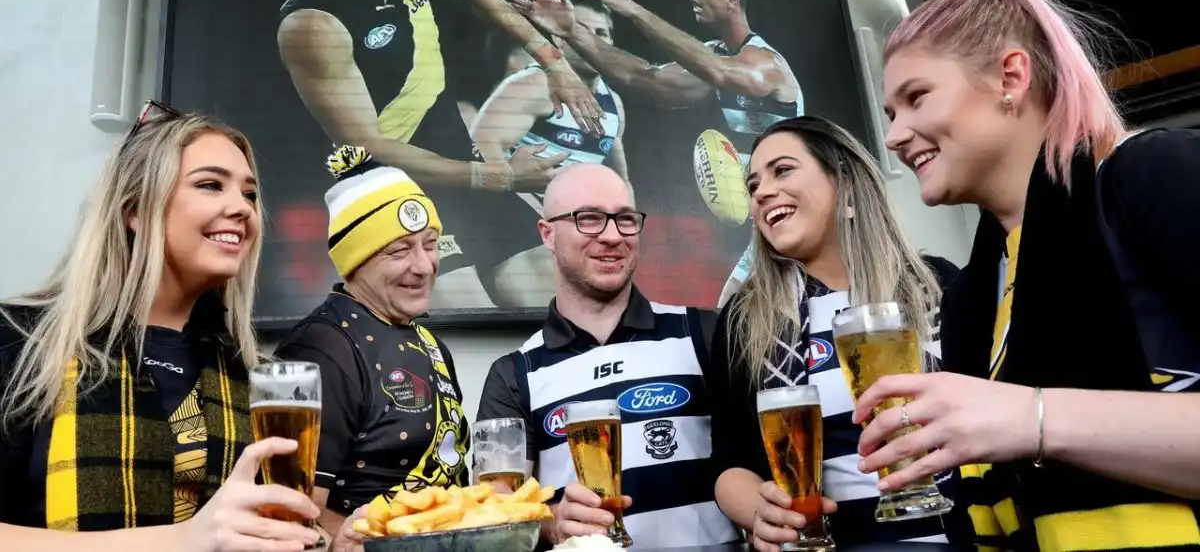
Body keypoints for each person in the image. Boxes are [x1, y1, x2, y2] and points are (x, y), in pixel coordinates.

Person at [856, 0, 1200, 550]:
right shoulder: (970, 294)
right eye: (890, 113)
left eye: (916, 97)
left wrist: (1030, 418)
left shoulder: (1152, 175)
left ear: (1010, 76)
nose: (893, 135)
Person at [0, 102, 322, 549]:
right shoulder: (20, 341)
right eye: (211, 185)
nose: (243, 209)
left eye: (249, 194)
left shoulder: (252, 373)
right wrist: (180, 540)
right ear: (134, 209)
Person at [277, 0, 604, 309]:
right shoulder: (313, 24)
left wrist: (554, 63)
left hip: (463, 172)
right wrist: (502, 176)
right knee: (473, 326)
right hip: (395, 191)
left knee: (552, 310)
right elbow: (367, 145)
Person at [706, 116, 960, 550]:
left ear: (844, 183)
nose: (762, 192)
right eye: (753, 186)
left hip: (961, 536)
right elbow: (729, 465)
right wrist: (760, 512)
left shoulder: (939, 285)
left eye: (782, 170)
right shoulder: (744, 320)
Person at [504, 0, 803, 306]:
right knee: (730, 327)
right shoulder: (718, 57)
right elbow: (646, 78)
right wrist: (572, 32)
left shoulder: (766, 63)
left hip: (794, 220)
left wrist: (627, 7)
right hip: (761, 229)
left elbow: (718, 71)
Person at [475, 164, 741, 549]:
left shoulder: (704, 331)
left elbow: (758, 462)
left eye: (625, 219)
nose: (613, 236)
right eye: (589, 219)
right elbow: (492, 516)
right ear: (547, 234)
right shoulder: (515, 373)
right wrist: (552, 523)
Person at [274, 145, 471, 540]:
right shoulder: (319, 347)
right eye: (400, 250)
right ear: (355, 260)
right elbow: (293, 510)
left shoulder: (429, 341)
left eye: (430, 244)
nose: (423, 266)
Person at [470, 0, 631, 308]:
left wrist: (625, 234)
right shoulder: (533, 84)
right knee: (554, 318)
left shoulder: (614, 106)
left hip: (568, 234)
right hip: (516, 224)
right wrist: (520, 187)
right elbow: (477, 149)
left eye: (601, 34)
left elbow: (621, 182)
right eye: (580, 28)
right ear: (558, 37)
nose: (591, 40)